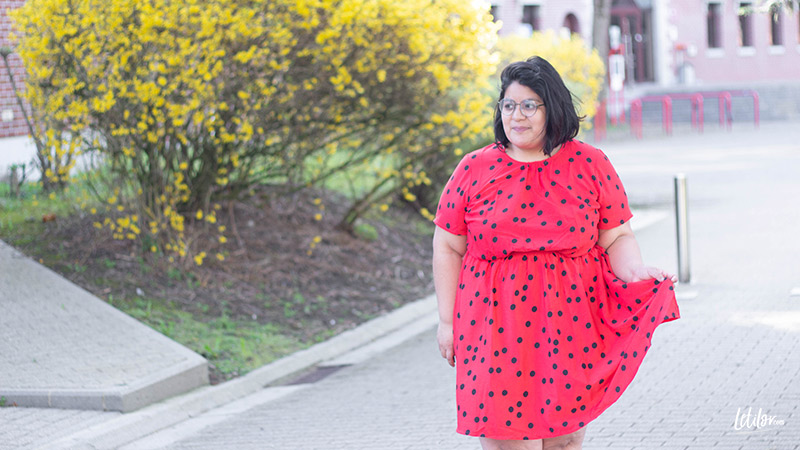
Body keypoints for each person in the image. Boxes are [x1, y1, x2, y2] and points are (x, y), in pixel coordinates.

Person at [431, 56, 681, 450]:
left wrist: (634, 271)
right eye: (509, 105)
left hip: (569, 322)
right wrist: (447, 321)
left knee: (565, 439)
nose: (517, 115)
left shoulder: (590, 163)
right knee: (506, 441)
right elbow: (447, 245)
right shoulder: (474, 168)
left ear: (554, 107)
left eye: (529, 105)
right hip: (495, 325)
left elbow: (616, 237)